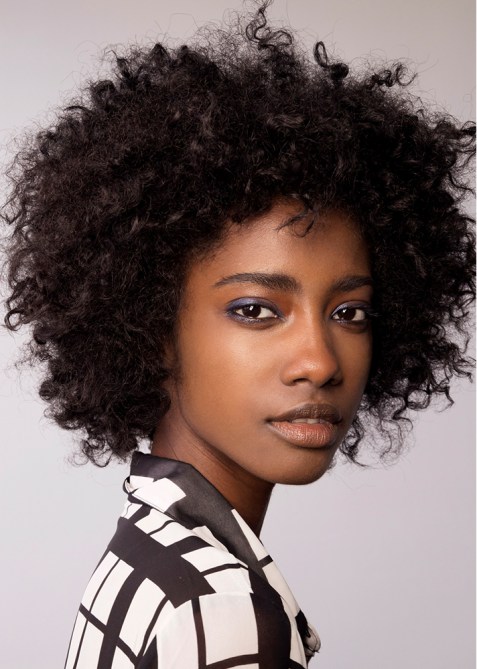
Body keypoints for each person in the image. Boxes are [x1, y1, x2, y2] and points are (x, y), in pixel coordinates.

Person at [1, 1, 474, 667]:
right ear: (152, 325)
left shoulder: (149, 557)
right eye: (255, 310)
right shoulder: (222, 613)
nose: (319, 362)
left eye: (349, 313)